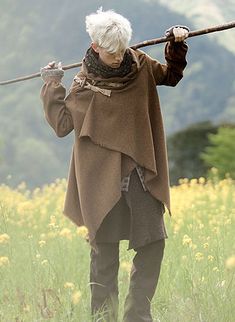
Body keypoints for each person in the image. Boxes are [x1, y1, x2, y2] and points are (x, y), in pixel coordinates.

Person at [40, 8, 189, 322]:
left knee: (153, 245)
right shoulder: (82, 85)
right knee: (104, 258)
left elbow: (172, 77)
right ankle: (103, 318)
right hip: (101, 182)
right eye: (112, 52)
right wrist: (53, 85)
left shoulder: (141, 66)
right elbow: (62, 125)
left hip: (140, 176)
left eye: (123, 49)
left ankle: (137, 315)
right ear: (95, 47)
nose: (120, 56)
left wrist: (176, 45)